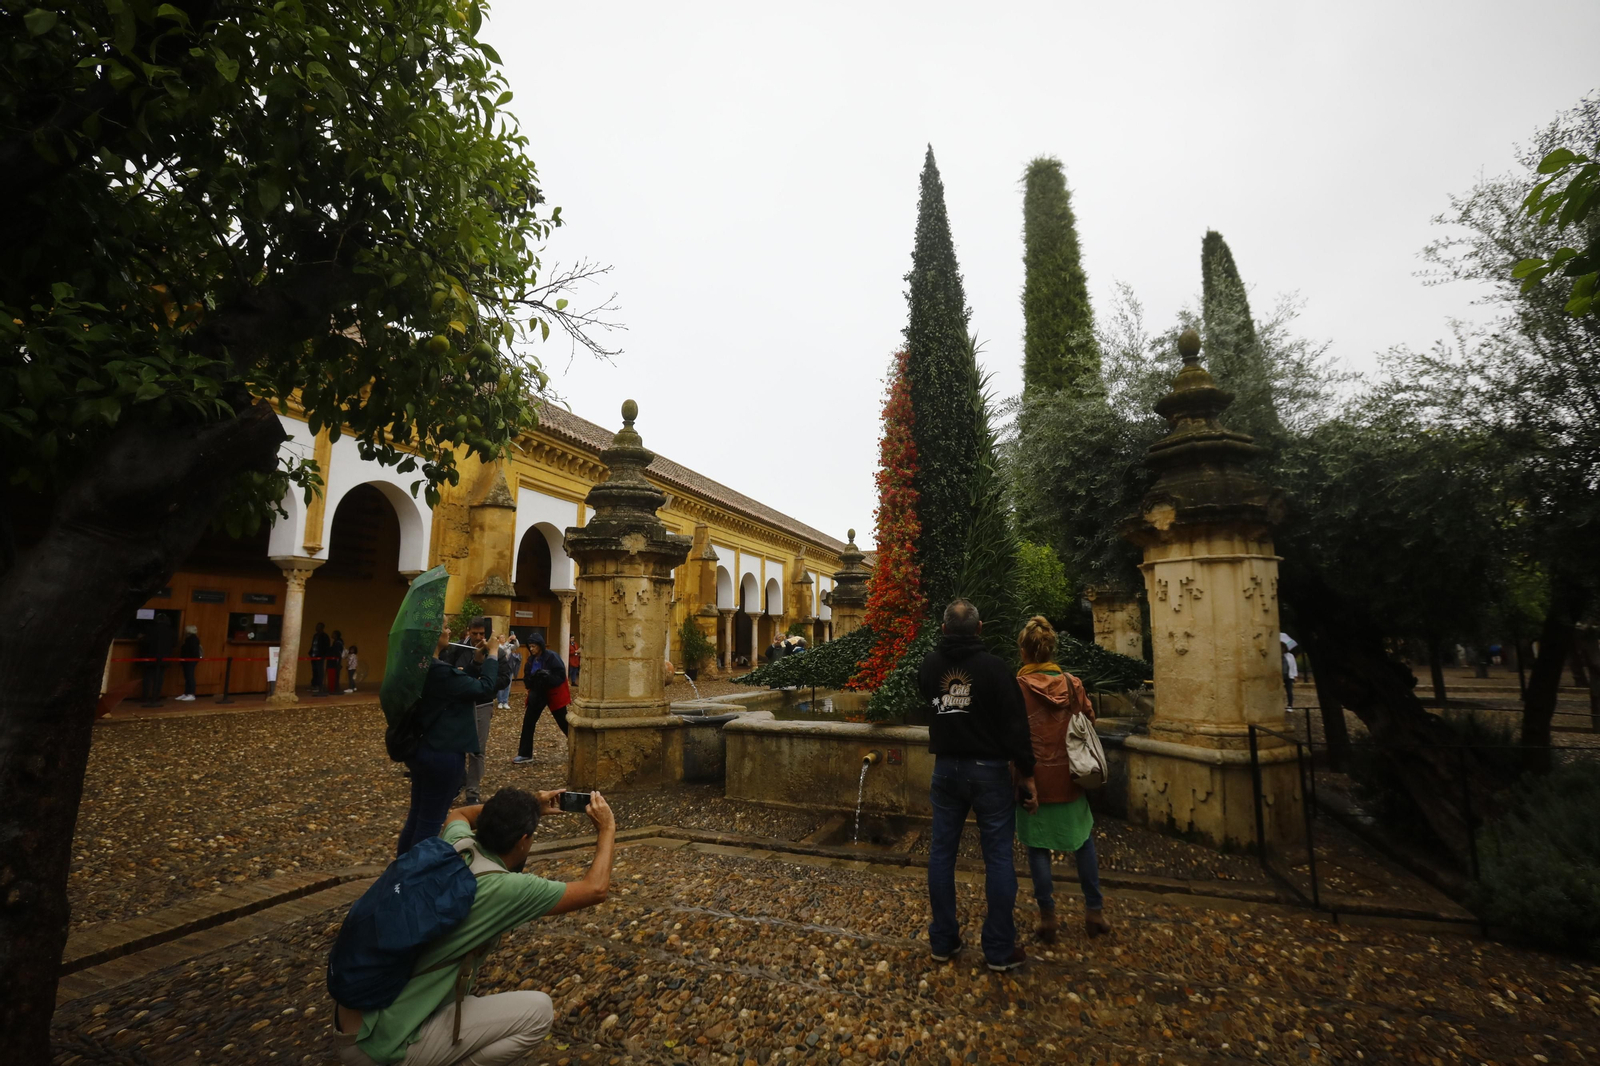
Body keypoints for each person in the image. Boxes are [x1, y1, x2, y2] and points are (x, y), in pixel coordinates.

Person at [333, 786, 616, 1066]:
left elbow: (458, 812)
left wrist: (530, 803)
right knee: (538, 1012)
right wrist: (607, 829)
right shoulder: (507, 888)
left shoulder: (457, 843)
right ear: (524, 841)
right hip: (381, 1044)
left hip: (354, 1016)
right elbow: (595, 889)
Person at [918, 598, 1036, 973]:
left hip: (946, 770)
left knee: (941, 855)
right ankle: (999, 950)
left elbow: (926, 696)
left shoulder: (931, 666)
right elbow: (1016, 726)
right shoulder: (996, 669)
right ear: (979, 629)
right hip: (989, 771)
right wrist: (1027, 772)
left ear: (943, 630)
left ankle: (943, 940)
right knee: (998, 858)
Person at [1013, 616, 1110, 943]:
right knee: (1083, 842)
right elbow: (1089, 721)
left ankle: (1048, 916)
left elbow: (1010, 733)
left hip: (1033, 779)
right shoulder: (1072, 684)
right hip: (1072, 776)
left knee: (1037, 848)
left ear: (1024, 651)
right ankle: (1094, 911)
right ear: (1051, 649)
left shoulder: (1018, 687)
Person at [397, 624, 500, 856]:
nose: (447, 630)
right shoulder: (438, 671)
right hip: (443, 753)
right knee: (429, 824)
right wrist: (493, 654)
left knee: (417, 816)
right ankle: (415, 878)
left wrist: (475, 662)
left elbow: (461, 687)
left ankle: (401, 868)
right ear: (432, 635)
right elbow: (485, 688)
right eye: (443, 626)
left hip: (424, 749)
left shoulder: (421, 668)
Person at [456, 618, 499, 807]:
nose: (478, 637)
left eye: (482, 634)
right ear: (468, 632)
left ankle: (472, 791)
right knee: (456, 747)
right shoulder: (458, 649)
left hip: (483, 703)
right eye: (475, 634)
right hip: (461, 703)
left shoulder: (495, 650)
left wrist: (487, 682)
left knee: (477, 750)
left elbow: (504, 676)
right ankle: (457, 781)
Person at [514, 635, 568, 765]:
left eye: (534, 646)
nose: (532, 649)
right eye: (530, 646)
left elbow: (560, 675)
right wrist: (533, 679)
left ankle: (579, 746)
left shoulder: (552, 657)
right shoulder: (531, 660)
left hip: (552, 693)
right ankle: (525, 754)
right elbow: (527, 679)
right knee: (528, 723)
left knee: (564, 722)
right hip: (537, 694)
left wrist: (547, 677)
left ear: (540, 645)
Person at [140, 613, 174, 704]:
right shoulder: (170, 630)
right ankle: (156, 696)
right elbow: (174, 644)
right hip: (164, 658)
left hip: (150, 657)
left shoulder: (151, 629)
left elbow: (145, 642)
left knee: (148, 677)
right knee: (159, 678)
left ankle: (145, 696)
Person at [496, 636, 522, 711]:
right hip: (501, 667)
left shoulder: (509, 645)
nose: (503, 639)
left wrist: (515, 640)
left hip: (509, 666)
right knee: (501, 684)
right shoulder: (498, 646)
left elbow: (517, 646)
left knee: (508, 684)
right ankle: (500, 701)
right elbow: (502, 650)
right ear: (498, 639)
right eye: (501, 637)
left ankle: (505, 701)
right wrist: (507, 642)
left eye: (504, 637)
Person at [177, 624, 201, 701]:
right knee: (187, 676)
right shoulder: (189, 639)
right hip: (187, 660)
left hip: (190, 660)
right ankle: (186, 693)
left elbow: (193, 651)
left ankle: (191, 694)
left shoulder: (192, 639)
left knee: (190, 676)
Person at [309, 622, 331, 696]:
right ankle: (314, 685)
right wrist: (310, 653)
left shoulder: (324, 636)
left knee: (319, 671)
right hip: (314, 656)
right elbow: (313, 645)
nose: (316, 628)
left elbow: (326, 646)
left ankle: (320, 686)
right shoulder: (315, 636)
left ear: (321, 628)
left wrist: (324, 655)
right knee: (314, 670)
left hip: (320, 656)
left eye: (318, 627)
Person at [329, 629, 347, 694]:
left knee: (336, 673)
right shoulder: (335, 641)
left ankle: (336, 687)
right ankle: (335, 687)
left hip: (336, 660)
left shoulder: (338, 642)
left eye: (333, 634)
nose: (332, 635)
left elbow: (337, 651)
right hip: (335, 659)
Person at [1282, 640, 1298, 709]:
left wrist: (1295, 675)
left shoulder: (1290, 656)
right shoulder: (1276, 656)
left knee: (1289, 691)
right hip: (1280, 676)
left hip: (1289, 676)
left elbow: (1294, 665)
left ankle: (1290, 705)